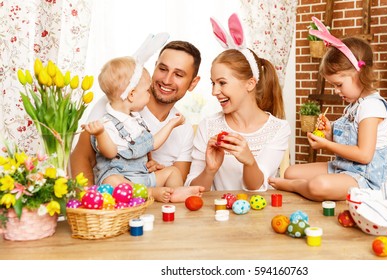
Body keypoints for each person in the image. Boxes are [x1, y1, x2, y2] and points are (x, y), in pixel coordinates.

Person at [269, 21, 387, 202]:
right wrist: (329, 134)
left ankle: (295, 186)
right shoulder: (355, 104)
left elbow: (364, 155)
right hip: (343, 168)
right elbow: (350, 141)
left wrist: (326, 145)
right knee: (290, 171)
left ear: (359, 74)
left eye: (339, 84)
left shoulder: (371, 107)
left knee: (318, 185)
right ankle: (296, 182)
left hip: (364, 180)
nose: (336, 91)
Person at [71, 40, 205, 202]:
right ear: (155, 67)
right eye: (162, 69)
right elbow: (81, 157)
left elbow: (175, 184)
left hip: (153, 206)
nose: (167, 80)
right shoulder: (115, 103)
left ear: (193, 83)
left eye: (178, 74)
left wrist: (153, 167)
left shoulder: (183, 127)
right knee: (114, 182)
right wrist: (90, 200)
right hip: (112, 203)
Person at [184, 13, 290, 192]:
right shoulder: (208, 126)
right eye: (213, 83)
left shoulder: (278, 128)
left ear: (250, 83)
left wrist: (249, 161)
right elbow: (192, 190)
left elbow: (257, 187)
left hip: (257, 217)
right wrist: (210, 170)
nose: (214, 92)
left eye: (222, 83)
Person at [82, 56, 186, 203]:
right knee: (112, 181)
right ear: (131, 95)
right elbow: (110, 153)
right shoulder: (106, 124)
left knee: (173, 172)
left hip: (142, 176)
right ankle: (150, 193)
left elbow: (153, 143)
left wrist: (171, 124)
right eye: (146, 91)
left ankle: (176, 195)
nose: (149, 95)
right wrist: (100, 134)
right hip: (123, 180)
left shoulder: (135, 119)